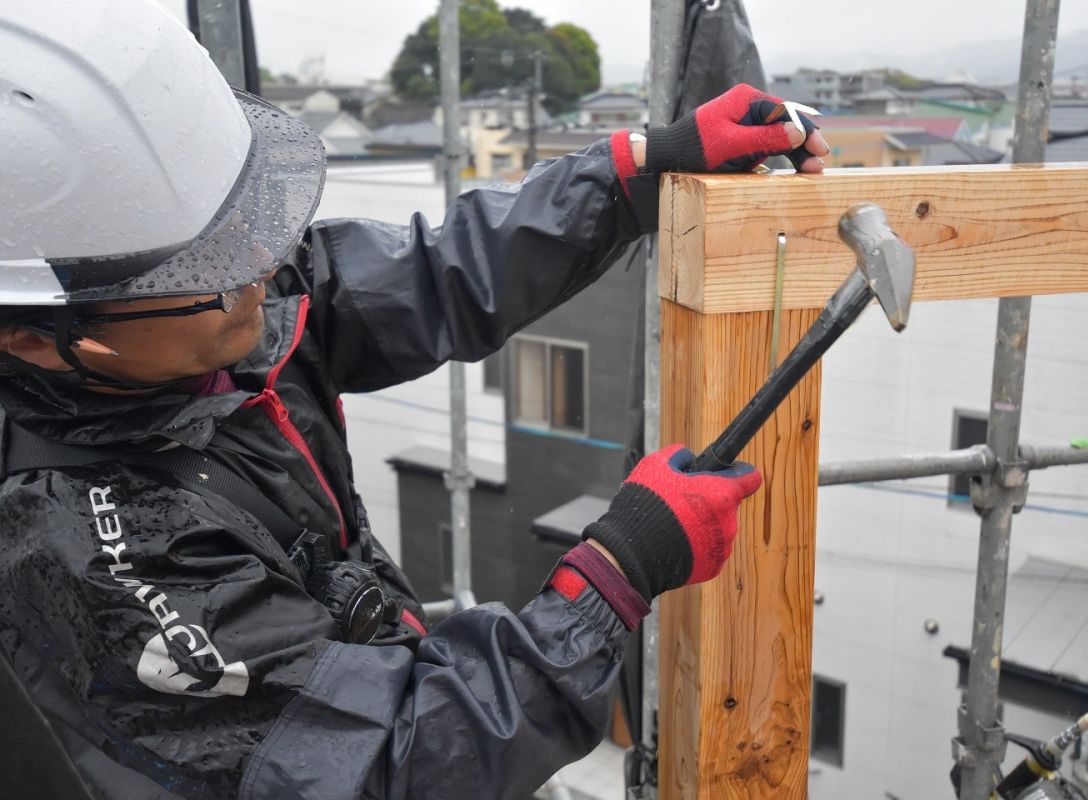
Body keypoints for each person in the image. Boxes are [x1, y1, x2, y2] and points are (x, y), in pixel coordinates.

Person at [0, 2, 831, 798]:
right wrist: (613, 576)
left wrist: (630, 173)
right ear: (32, 337)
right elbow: (392, 761)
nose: (256, 270)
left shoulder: (195, 308)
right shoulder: (91, 550)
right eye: (204, 275)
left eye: (247, 229)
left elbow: (432, 277)